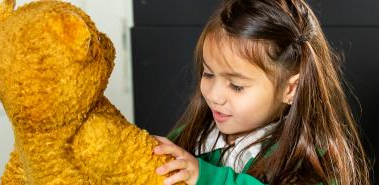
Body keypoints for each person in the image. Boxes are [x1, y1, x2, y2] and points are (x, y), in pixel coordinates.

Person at [152, 0, 371, 184]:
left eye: (237, 86)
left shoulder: (313, 162)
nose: (214, 95)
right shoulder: (191, 135)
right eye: (208, 74)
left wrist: (207, 177)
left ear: (291, 89)